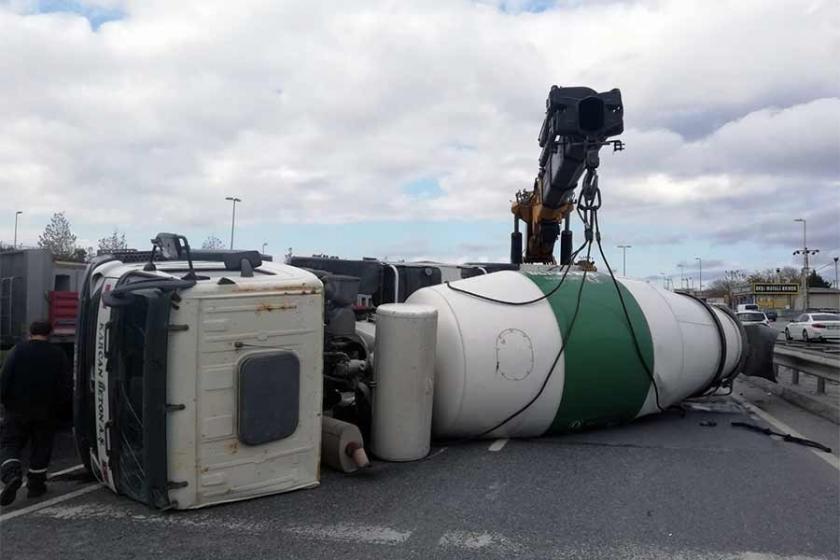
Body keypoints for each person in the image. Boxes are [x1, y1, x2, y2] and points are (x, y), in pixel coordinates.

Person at [0, 321, 70, 506]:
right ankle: (36, 486)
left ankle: (11, 475)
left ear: (29, 332)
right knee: (42, 447)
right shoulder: (58, 354)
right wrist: (62, 411)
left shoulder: (18, 351)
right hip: (46, 411)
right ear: (50, 333)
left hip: (17, 409)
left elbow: (5, 377)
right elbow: (65, 385)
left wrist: (5, 401)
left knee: (10, 444)